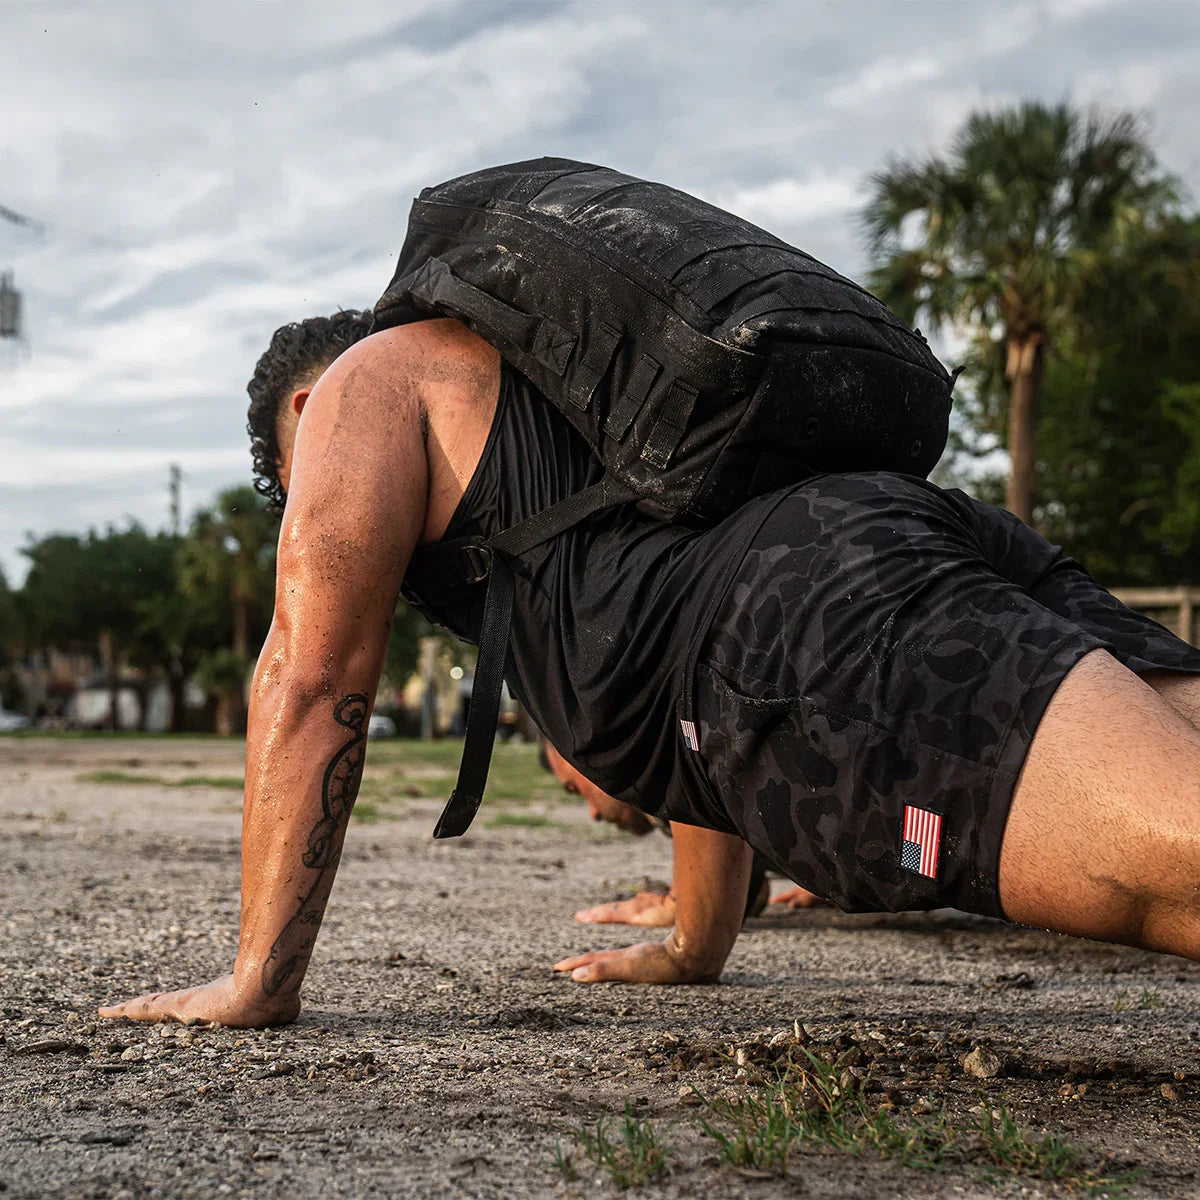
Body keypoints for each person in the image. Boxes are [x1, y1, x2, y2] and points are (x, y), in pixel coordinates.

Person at [97, 304, 1200, 1028]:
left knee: (1180, 868)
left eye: (301, 500)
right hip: (898, 537)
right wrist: (695, 942)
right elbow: (702, 677)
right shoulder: (550, 377)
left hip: (821, 631)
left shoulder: (363, 390)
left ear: (303, 410)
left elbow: (311, 672)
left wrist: (258, 978)